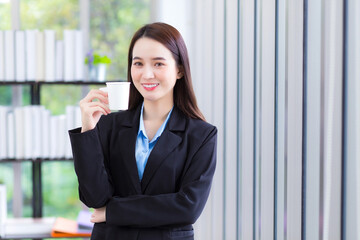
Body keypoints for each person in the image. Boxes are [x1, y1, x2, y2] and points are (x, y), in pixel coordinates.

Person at [69, 22, 217, 240]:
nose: (147, 74)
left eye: (158, 64)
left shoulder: (201, 135)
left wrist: (113, 211)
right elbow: (95, 198)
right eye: (138, 63)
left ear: (179, 69)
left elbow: (187, 208)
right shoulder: (109, 124)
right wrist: (88, 129)